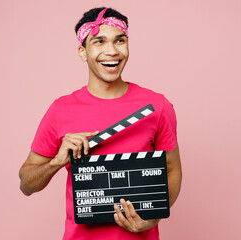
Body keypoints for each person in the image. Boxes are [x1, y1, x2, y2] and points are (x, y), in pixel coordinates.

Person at [19, 7, 182, 240]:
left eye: (120, 41)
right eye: (99, 41)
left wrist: (154, 216)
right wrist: (55, 162)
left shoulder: (158, 107)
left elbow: (173, 169)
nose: (111, 51)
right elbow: (26, 184)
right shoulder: (60, 111)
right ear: (83, 52)